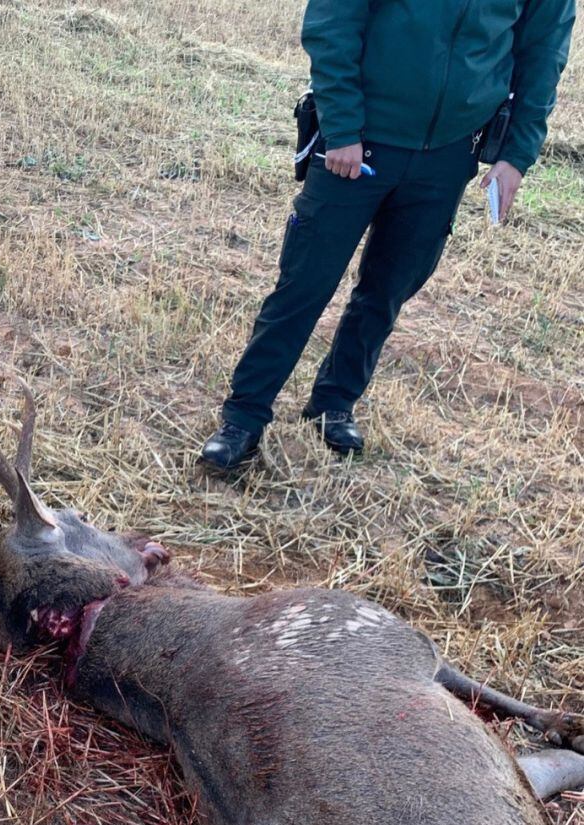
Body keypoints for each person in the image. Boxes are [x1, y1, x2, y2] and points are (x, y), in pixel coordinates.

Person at [200, 0, 575, 473]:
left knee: (387, 290)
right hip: (359, 141)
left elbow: (543, 56)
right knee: (304, 284)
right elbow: (334, 21)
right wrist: (340, 127)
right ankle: (244, 418)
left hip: (449, 154)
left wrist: (516, 154)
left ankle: (333, 404)